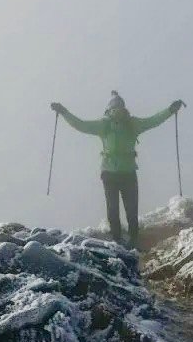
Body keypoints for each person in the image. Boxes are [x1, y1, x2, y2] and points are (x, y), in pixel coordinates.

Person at [51, 92, 184, 249]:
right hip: (127, 172)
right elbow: (154, 120)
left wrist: (63, 111)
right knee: (131, 208)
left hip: (110, 172)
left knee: (113, 208)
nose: (117, 112)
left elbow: (80, 124)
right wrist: (170, 110)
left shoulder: (104, 124)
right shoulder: (131, 124)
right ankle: (132, 240)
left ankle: (118, 240)